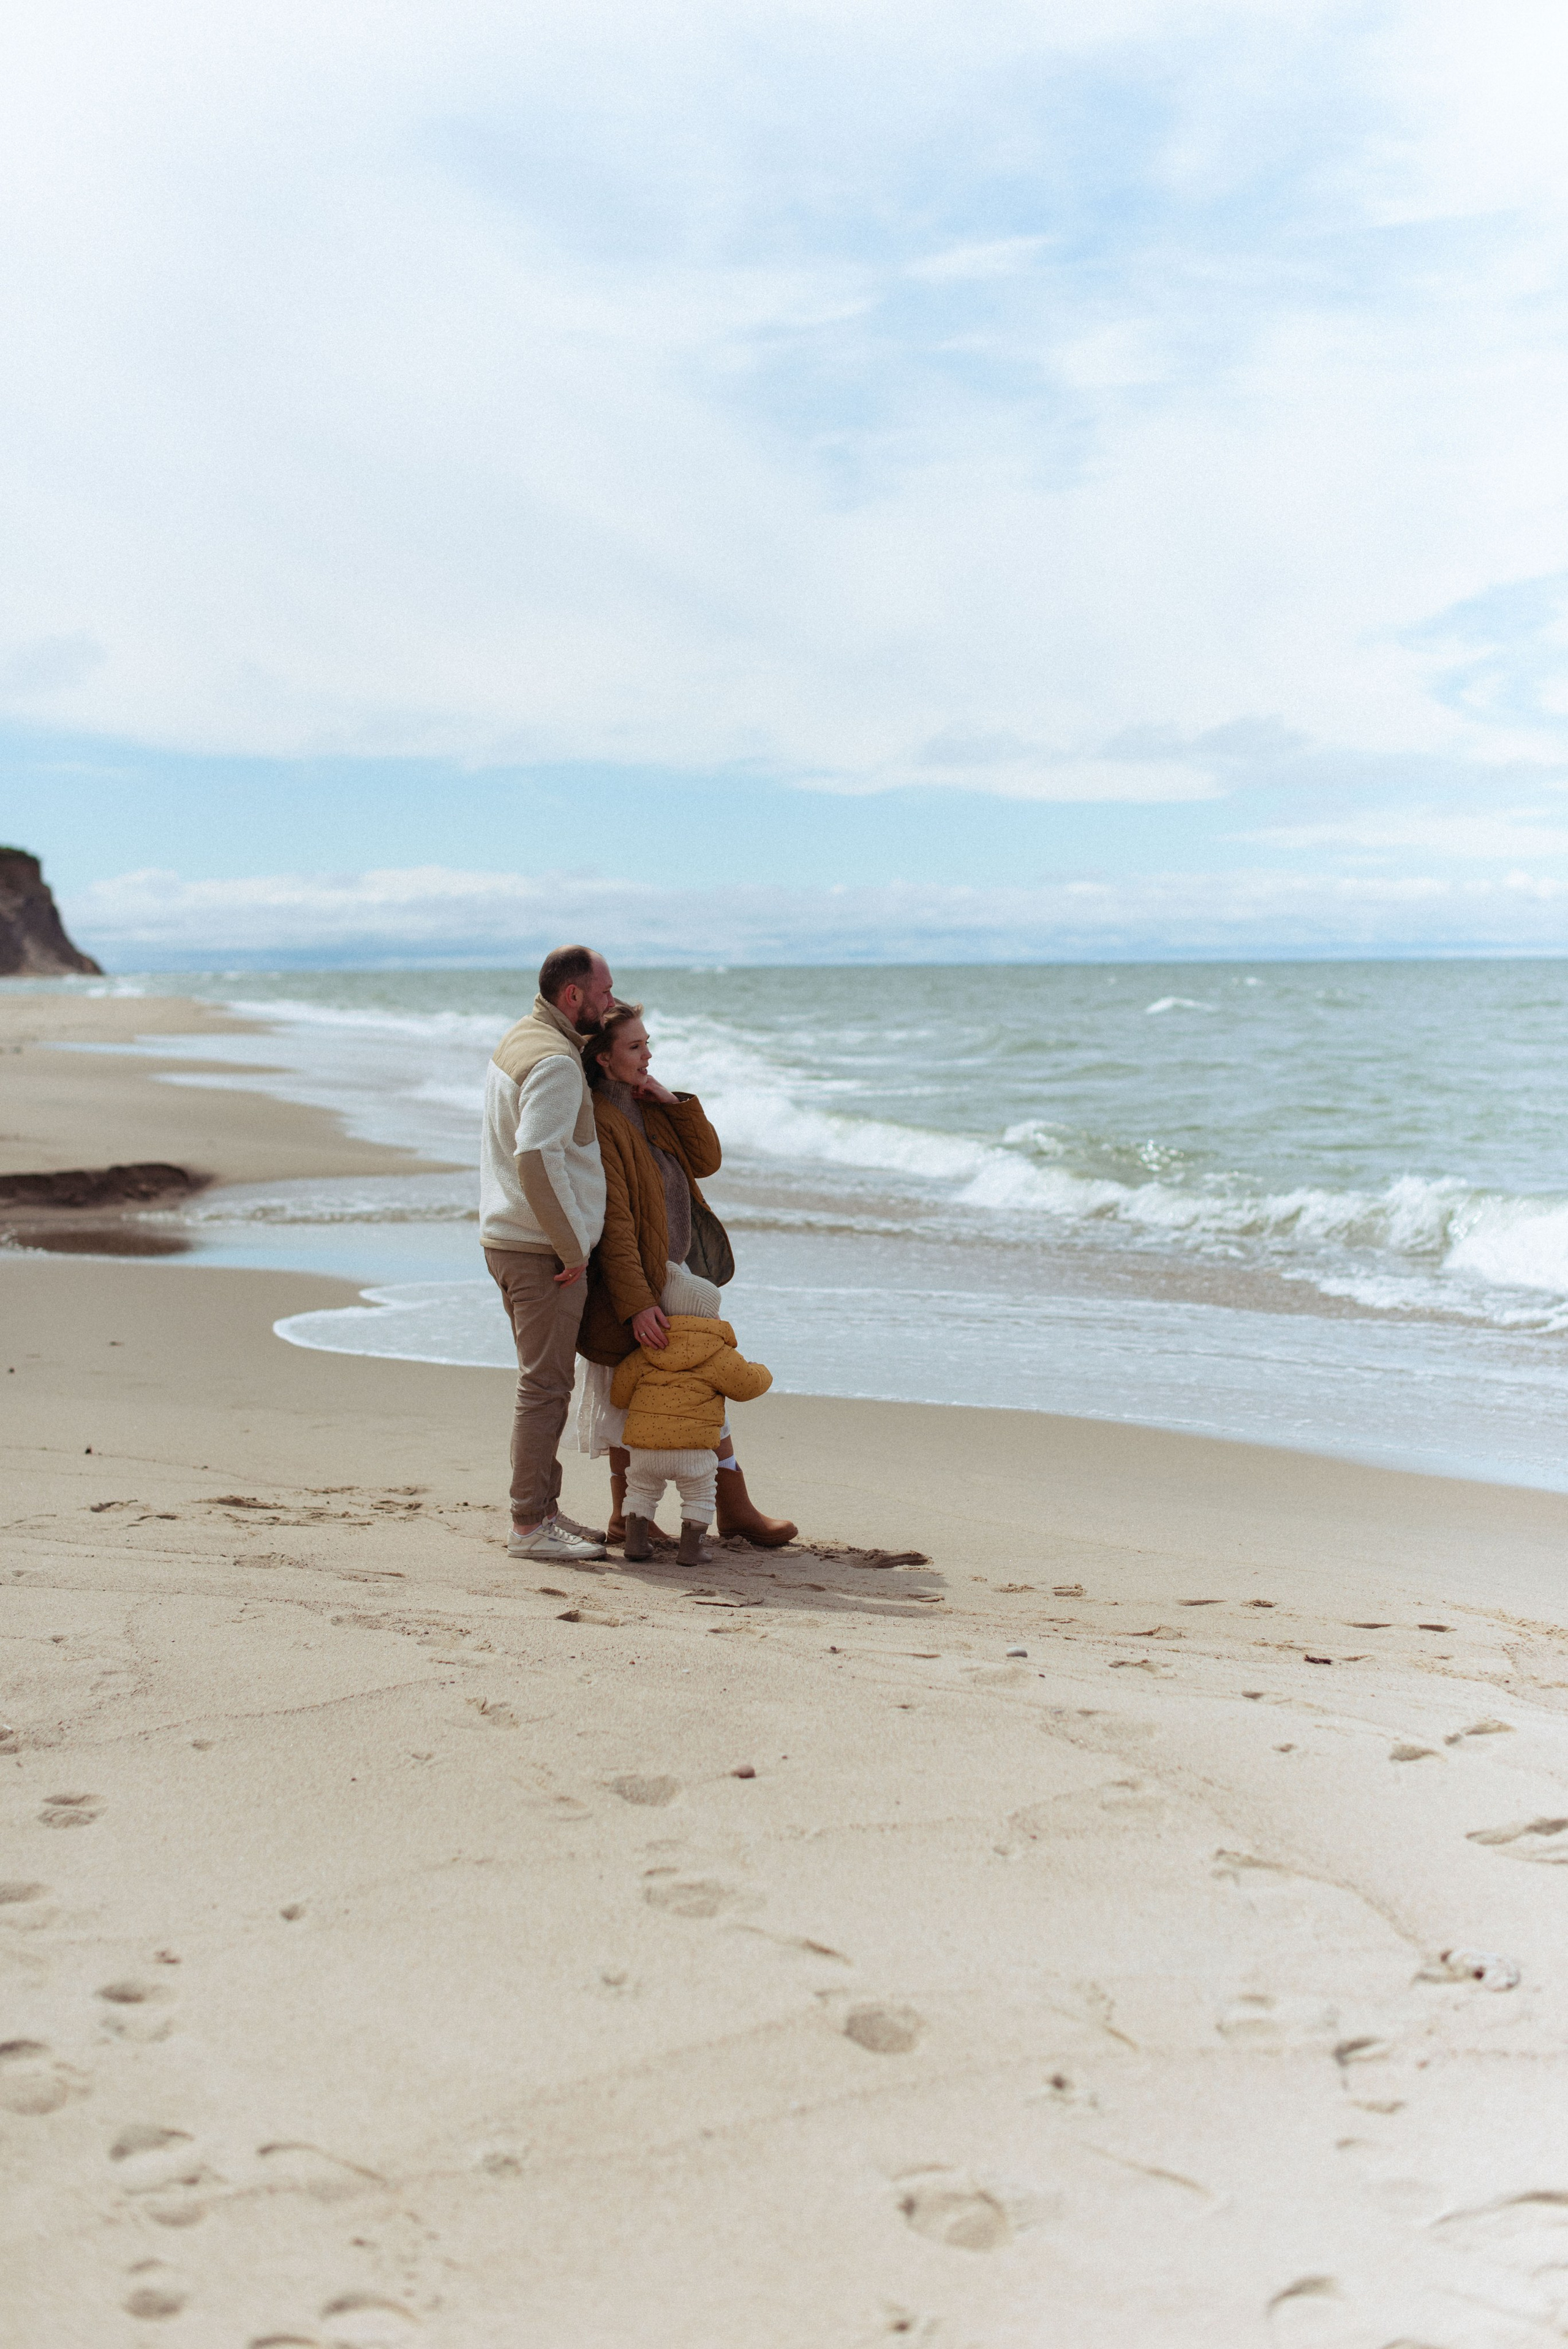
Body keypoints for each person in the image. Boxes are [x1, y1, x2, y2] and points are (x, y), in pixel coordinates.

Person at [576, 999, 797, 1547]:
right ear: (604, 1059)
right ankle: (634, 1514)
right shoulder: (602, 1122)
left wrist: (672, 1103)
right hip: (640, 1283)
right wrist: (635, 1302)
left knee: (687, 1386)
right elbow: (616, 1222)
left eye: (648, 1043)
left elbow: (707, 1159)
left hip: (674, 1271)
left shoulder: (647, 1106)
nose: (648, 1054)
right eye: (635, 1047)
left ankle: (728, 1505)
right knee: (636, 1397)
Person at [481, 945, 616, 1563]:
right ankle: (529, 1526)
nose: (611, 1002)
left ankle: (544, 1511)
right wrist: (572, 1248)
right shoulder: (557, 1062)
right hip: (541, 1251)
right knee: (545, 1389)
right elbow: (535, 1157)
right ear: (573, 997)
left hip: (510, 1237)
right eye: (605, 991)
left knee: (546, 1385)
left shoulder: (520, 1036)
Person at [611, 1262, 773, 1566]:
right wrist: (763, 1372)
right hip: (694, 1451)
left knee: (641, 1491)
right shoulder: (718, 1353)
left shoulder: (644, 1350)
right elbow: (746, 1386)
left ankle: (635, 1543)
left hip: (646, 1449)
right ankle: (692, 1550)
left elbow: (619, 1395)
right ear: (713, 1315)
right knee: (699, 1495)